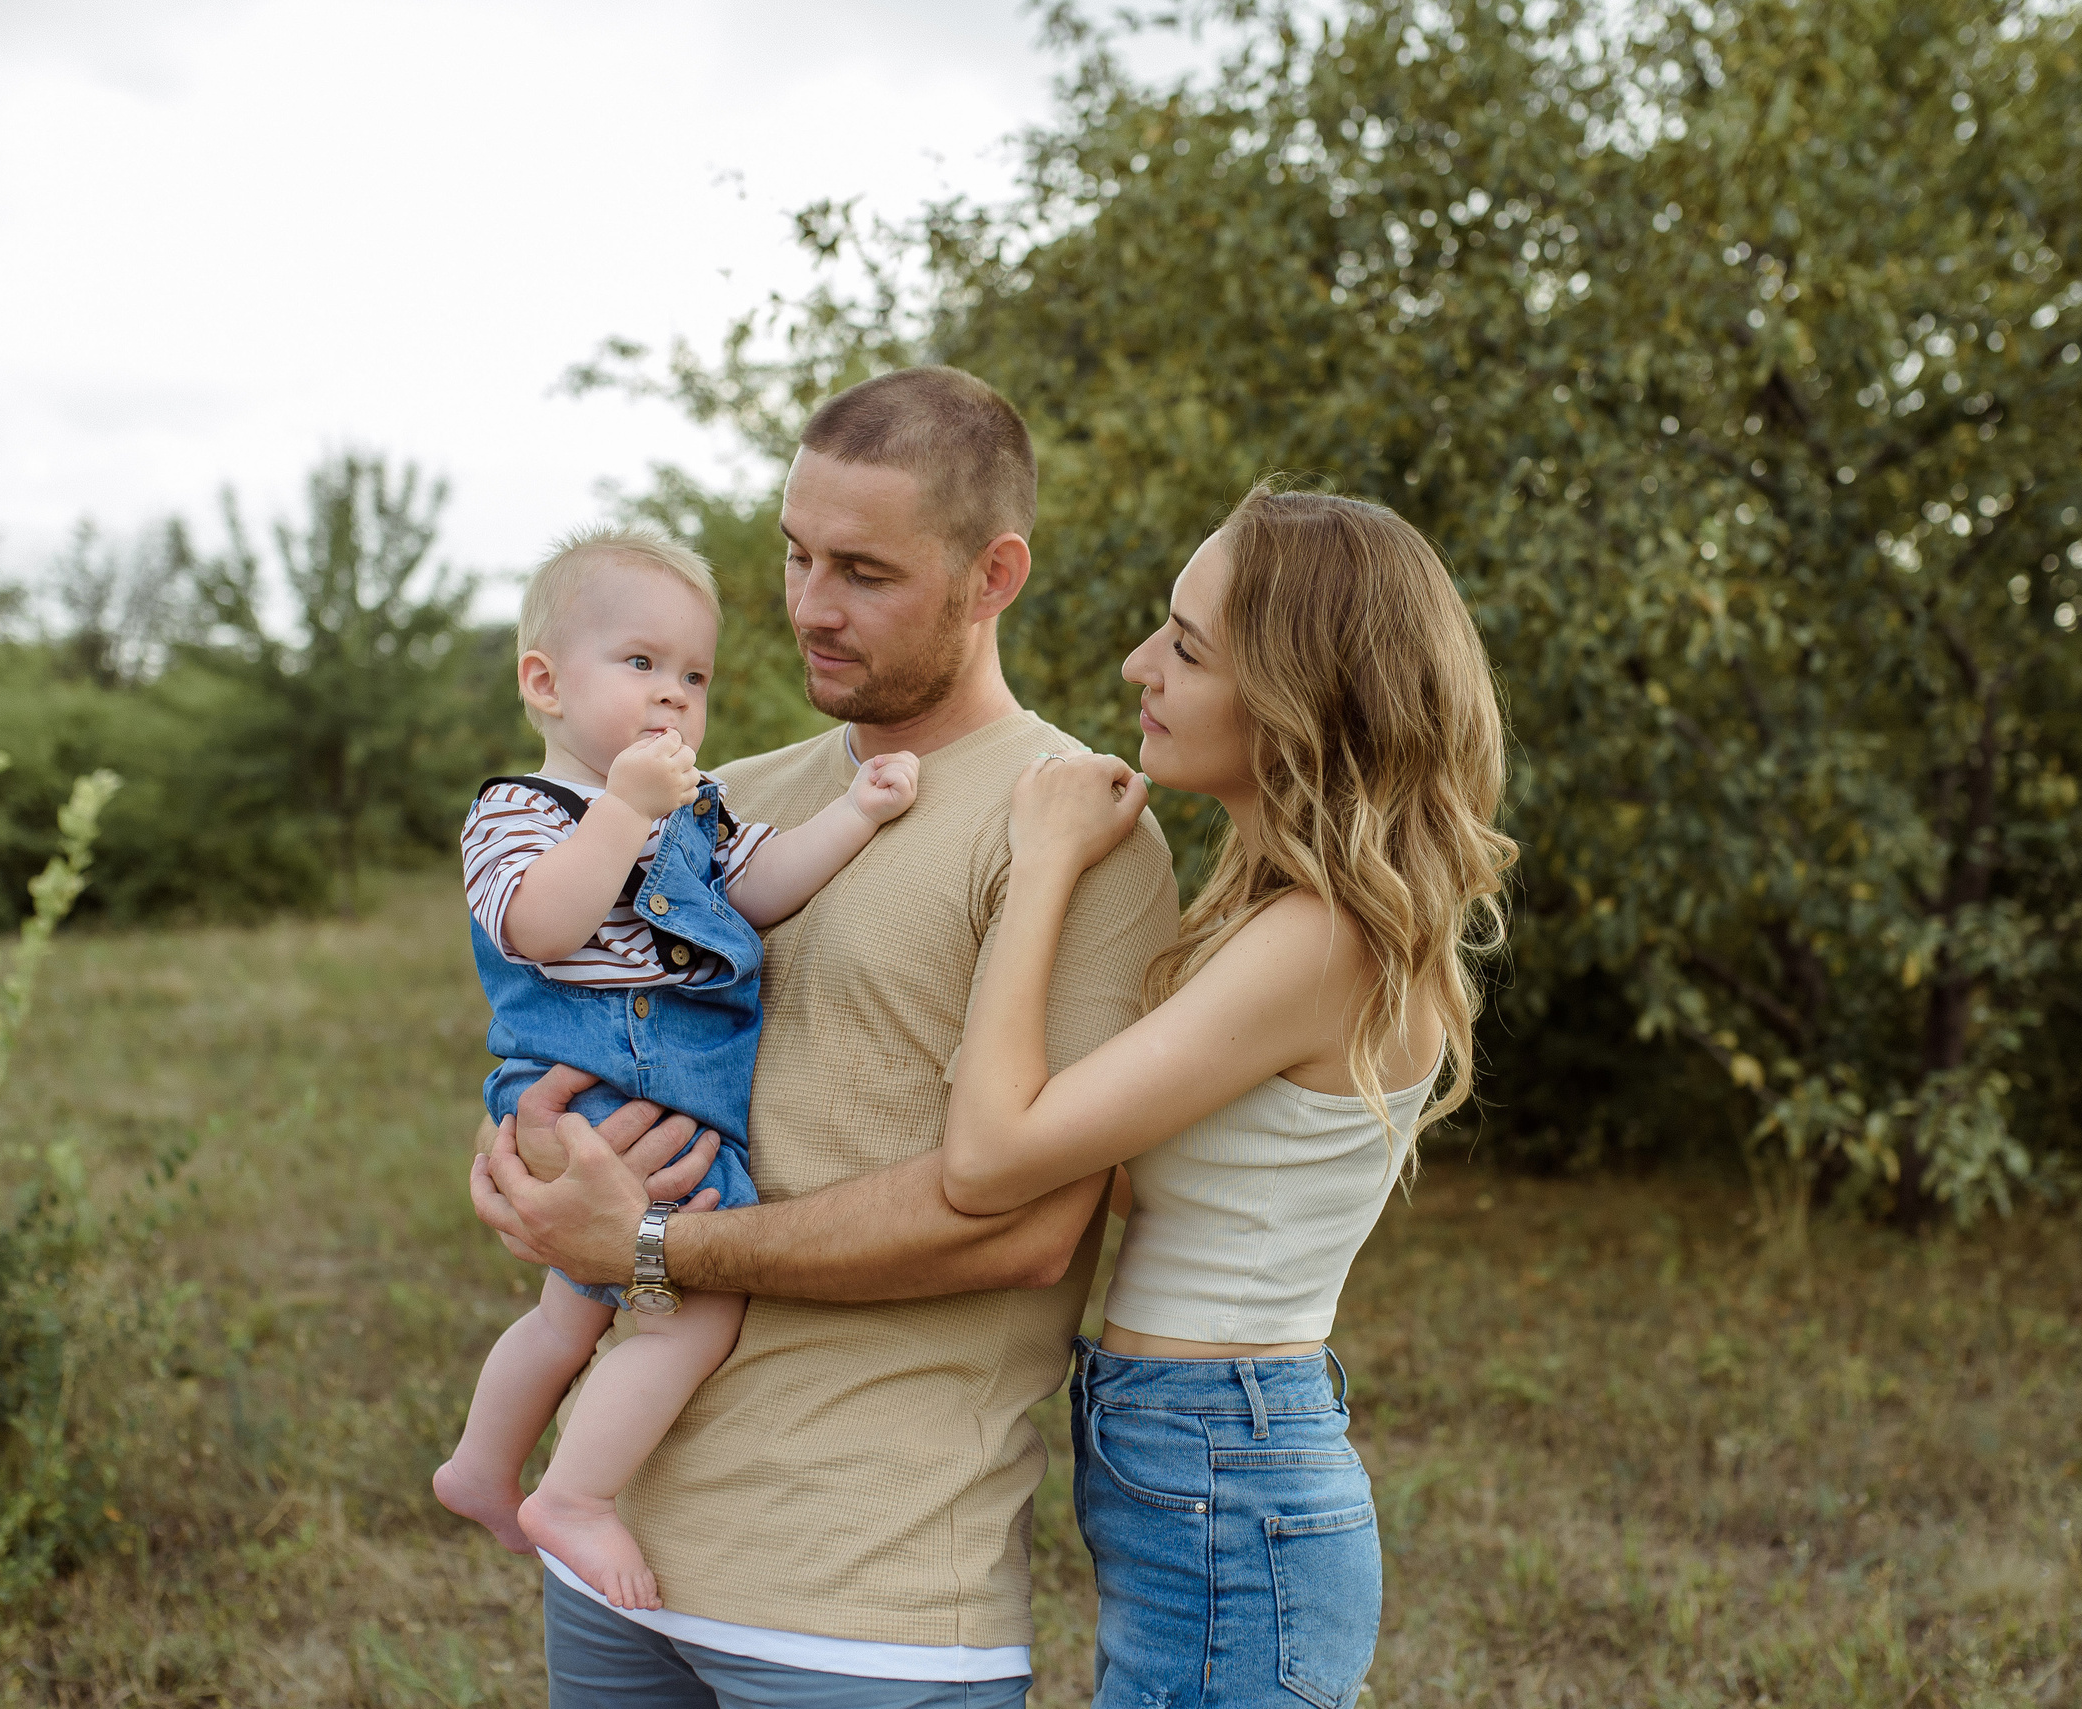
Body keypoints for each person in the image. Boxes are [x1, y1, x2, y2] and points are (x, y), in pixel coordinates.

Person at [471, 367, 1181, 1707]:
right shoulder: (717, 796)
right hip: (620, 1561)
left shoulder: (1078, 828)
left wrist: (651, 1244)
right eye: (796, 556)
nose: (807, 606)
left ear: (994, 573)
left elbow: (1030, 1228)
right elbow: (566, 1017)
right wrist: (519, 1169)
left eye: (862, 570)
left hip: (861, 1605)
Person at [936, 483, 1516, 1705]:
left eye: (1188, 647)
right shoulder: (1277, 921)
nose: (1142, 663)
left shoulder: (1321, 941)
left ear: (1302, 701)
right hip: (1200, 1444)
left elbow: (990, 1156)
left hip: (1223, 1459)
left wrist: (1040, 863)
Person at [433, 524, 921, 1612]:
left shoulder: (695, 813)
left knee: (571, 1310)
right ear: (544, 683)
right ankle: (577, 1495)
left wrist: (856, 811)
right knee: (695, 1307)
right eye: (641, 664)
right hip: (594, 1086)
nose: (673, 698)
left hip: (650, 1097)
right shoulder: (515, 811)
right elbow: (543, 925)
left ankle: (479, 1464)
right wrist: (621, 810)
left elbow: (760, 889)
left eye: (694, 675)